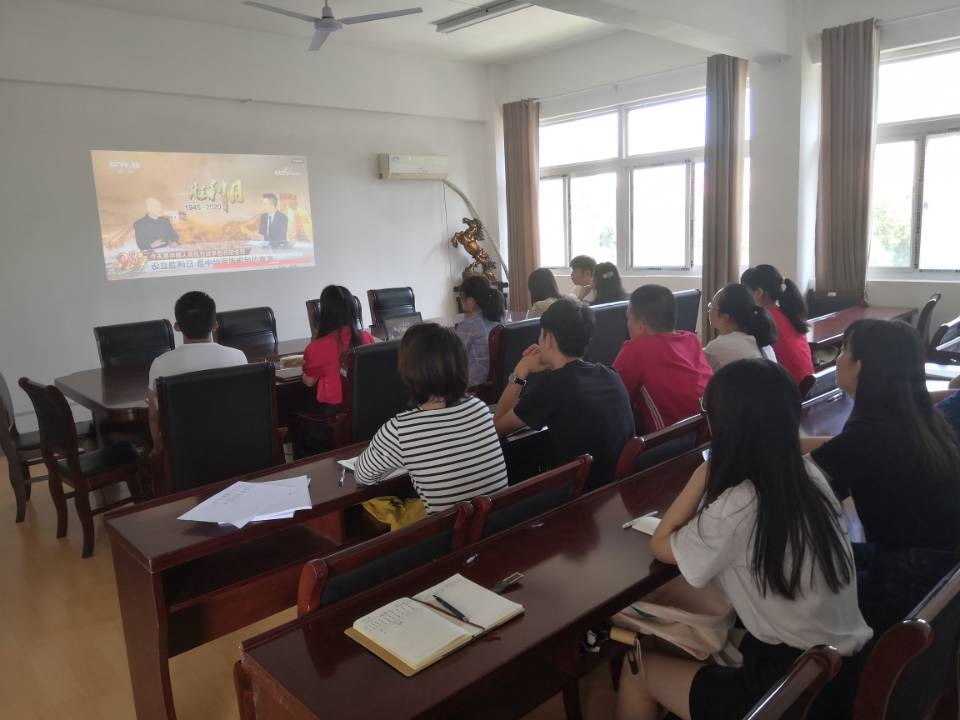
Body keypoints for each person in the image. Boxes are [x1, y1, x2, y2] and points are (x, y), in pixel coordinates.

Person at [617, 359, 872, 720]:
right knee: (694, 639)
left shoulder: (740, 504)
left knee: (637, 670)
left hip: (791, 692)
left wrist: (704, 472)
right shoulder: (808, 474)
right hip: (842, 668)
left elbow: (660, 543)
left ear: (725, 425)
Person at [807, 319, 960, 634]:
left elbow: (794, 479)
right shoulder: (922, 419)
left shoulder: (871, 433)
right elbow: (841, 450)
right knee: (827, 556)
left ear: (861, 366)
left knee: (795, 579)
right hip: (938, 571)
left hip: (906, 584)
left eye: (844, 351)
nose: (837, 360)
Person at [354, 323, 508, 514]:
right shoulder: (480, 408)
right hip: (501, 520)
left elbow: (362, 476)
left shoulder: (400, 429)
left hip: (453, 531)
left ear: (409, 371)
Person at [494, 298, 634, 491]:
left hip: (584, 495)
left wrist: (520, 371)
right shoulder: (609, 374)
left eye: (541, 334)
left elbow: (499, 425)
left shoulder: (554, 386)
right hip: (620, 486)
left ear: (549, 339)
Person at [147, 291, 248, 448]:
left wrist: (157, 449)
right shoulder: (238, 357)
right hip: (234, 445)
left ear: (177, 327)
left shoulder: (160, 364)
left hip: (183, 452)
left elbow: (154, 417)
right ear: (215, 325)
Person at [613, 285, 712, 433]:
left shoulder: (636, 349)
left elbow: (613, 397)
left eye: (629, 319)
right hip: (709, 431)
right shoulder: (691, 339)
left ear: (641, 327)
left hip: (673, 441)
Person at [298, 285, 375, 456]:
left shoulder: (318, 346)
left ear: (325, 314)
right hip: (365, 410)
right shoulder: (366, 337)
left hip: (335, 415)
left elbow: (309, 381)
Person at [740, 264, 813, 383]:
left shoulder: (762, 319)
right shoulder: (788, 313)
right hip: (807, 384)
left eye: (745, 292)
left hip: (789, 386)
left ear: (758, 293)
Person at [703, 283, 778, 372]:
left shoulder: (720, 346)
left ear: (725, 317)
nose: (709, 310)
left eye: (711, 306)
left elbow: (694, 365)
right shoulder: (761, 341)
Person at [455, 275, 504, 388]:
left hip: (473, 384)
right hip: (496, 383)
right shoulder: (499, 320)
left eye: (461, 297)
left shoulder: (467, 326)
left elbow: (453, 357)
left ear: (471, 301)